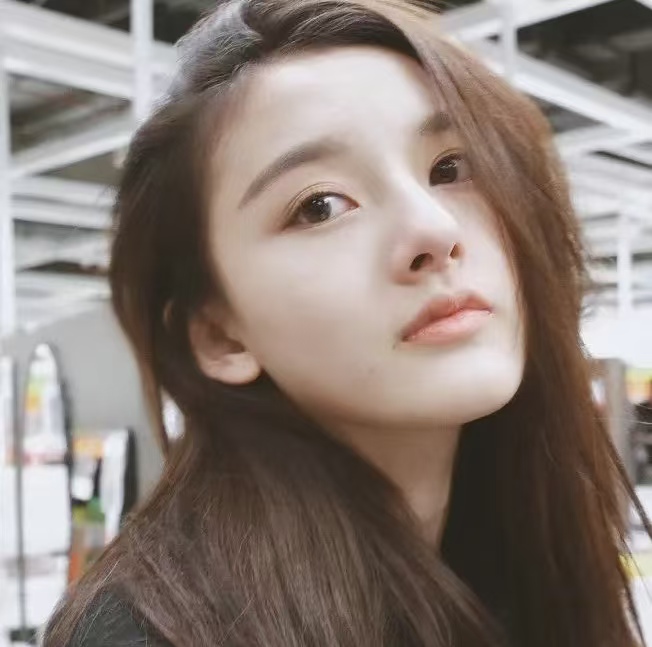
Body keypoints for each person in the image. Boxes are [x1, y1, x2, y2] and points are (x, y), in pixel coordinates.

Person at [43, 1, 650, 645]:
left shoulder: (522, 547)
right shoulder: (154, 632)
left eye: (451, 168)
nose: (435, 229)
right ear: (220, 334)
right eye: (320, 206)